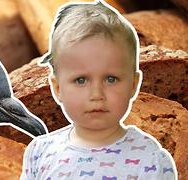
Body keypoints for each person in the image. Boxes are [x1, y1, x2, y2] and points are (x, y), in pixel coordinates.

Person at [20, 1, 177, 179]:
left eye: (111, 79)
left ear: (134, 85)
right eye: (80, 80)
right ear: (57, 89)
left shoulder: (152, 159)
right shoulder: (40, 152)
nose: (96, 94)